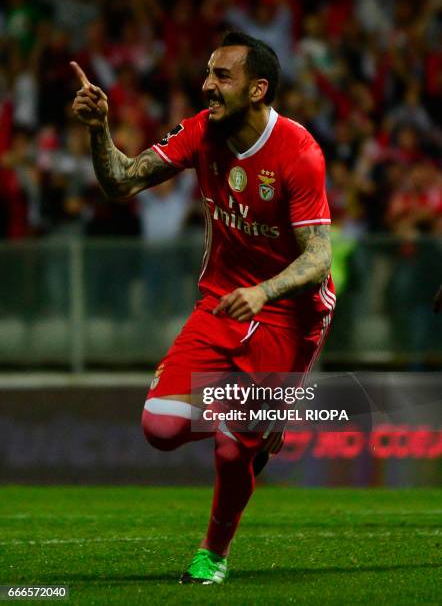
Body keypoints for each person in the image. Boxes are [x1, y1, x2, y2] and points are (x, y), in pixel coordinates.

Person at [71, 31, 335, 585]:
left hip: (288, 312)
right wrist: (100, 130)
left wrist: (265, 291)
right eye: (208, 73)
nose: (206, 85)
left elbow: (319, 258)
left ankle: (212, 554)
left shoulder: (299, 151)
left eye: (221, 76)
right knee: (160, 428)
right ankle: (255, 423)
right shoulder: (200, 131)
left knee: (229, 444)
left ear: (258, 88)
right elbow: (120, 182)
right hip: (220, 301)